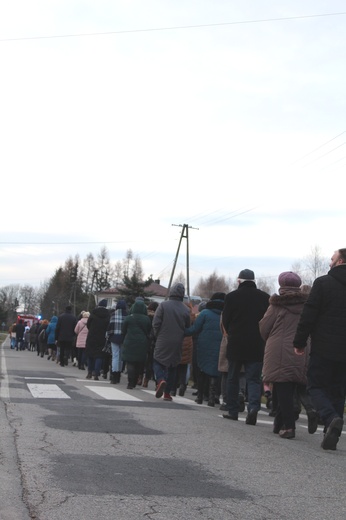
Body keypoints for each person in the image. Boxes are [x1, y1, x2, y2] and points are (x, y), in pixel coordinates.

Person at [294, 248, 346, 451]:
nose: (329, 262)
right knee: (338, 390)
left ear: (340, 261)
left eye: (332, 259)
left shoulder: (323, 283)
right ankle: (331, 434)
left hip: (324, 346)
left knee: (315, 386)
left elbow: (309, 313)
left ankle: (331, 418)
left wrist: (299, 341)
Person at [260, 271, 317, 439]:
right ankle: (280, 424)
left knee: (282, 387)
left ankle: (289, 427)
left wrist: (272, 338)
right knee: (292, 384)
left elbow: (264, 328)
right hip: (301, 348)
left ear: (281, 285)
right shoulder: (307, 305)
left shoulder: (277, 305)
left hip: (278, 349)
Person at [222, 269, 270, 425]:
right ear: (254, 281)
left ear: (238, 281)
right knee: (254, 379)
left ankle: (233, 410)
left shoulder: (231, 297)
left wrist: (231, 333)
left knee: (233, 378)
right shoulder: (265, 298)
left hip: (236, 342)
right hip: (256, 343)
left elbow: (226, 321)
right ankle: (254, 408)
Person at [185, 292, 225, 406]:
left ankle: (200, 396)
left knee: (202, 370)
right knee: (216, 371)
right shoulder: (225, 314)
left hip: (204, 345)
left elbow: (195, 329)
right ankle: (213, 397)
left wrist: (183, 332)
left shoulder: (205, 313)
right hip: (220, 345)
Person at [152, 283, 191, 401]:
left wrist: (157, 335)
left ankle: (160, 380)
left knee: (157, 361)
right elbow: (187, 327)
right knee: (173, 366)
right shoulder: (186, 309)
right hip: (178, 341)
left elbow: (156, 323)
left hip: (163, 339)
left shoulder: (163, 306)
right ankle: (167, 393)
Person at [121, 299, 151, 389]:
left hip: (129, 342)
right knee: (138, 363)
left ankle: (130, 382)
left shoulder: (129, 318)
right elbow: (149, 331)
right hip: (142, 343)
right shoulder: (147, 319)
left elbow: (123, 330)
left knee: (130, 363)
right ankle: (135, 381)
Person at [85, 299, 110, 380]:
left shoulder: (93, 313)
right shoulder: (108, 315)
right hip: (102, 337)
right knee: (99, 356)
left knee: (90, 354)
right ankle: (96, 373)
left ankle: (89, 372)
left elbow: (88, 325)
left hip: (92, 336)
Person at [106, 300, 128, 384]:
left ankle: (114, 375)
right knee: (121, 357)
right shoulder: (127, 315)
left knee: (115, 356)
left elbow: (110, 327)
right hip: (123, 338)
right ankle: (118, 374)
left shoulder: (113, 315)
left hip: (114, 337)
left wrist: (108, 336)